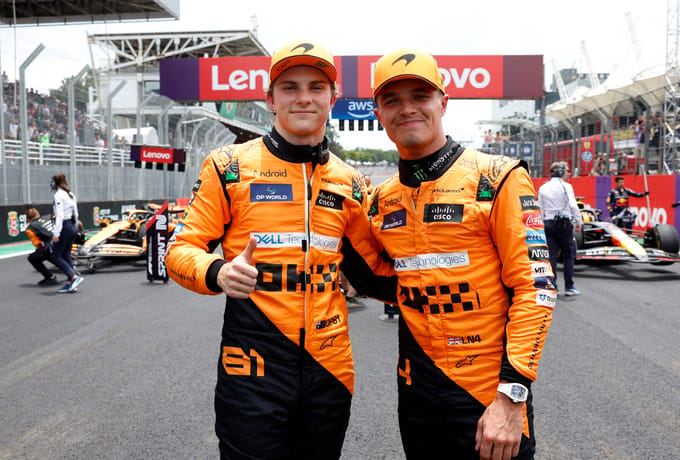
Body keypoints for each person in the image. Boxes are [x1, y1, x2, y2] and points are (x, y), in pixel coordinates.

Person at [164, 39, 395, 459]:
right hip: (252, 366)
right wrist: (218, 272)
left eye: (316, 87)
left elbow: (373, 273)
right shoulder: (228, 165)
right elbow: (180, 250)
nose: (303, 97)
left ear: (333, 98)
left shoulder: (349, 181)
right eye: (289, 87)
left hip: (330, 368)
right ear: (270, 99)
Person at [369, 49, 555, 460]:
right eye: (392, 100)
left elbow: (536, 289)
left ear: (443, 103)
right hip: (416, 393)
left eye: (420, 95)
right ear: (378, 112)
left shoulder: (499, 176)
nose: (407, 108)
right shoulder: (381, 199)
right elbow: (379, 280)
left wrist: (510, 398)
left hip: (488, 394)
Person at [538, 162, 583, 296]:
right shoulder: (566, 186)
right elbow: (574, 206)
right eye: (567, 171)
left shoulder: (543, 187)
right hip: (563, 224)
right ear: (560, 172)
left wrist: (540, 225)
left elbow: (539, 208)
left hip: (548, 223)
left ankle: (552, 286)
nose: (569, 173)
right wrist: (578, 221)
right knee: (568, 255)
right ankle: (569, 287)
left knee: (551, 256)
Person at [50, 173, 84, 293]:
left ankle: (74, 276)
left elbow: (59, 216)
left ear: (56, 183)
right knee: (65, 254)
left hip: (65, 226)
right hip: (72, 226)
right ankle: (71, 281)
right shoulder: (70, 194)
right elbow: (77, 214)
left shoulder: (58, 195)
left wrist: (56, 233)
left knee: (55, 255)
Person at [24, 208, 58, 285]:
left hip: (51, 246)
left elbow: (38, 244)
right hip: (62, 241)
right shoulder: (48, 217)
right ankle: (71, 272)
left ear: (28, 219)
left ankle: (50, 277)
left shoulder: (31, 227)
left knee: (33, 258)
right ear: (38, 214)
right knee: (49, 254)